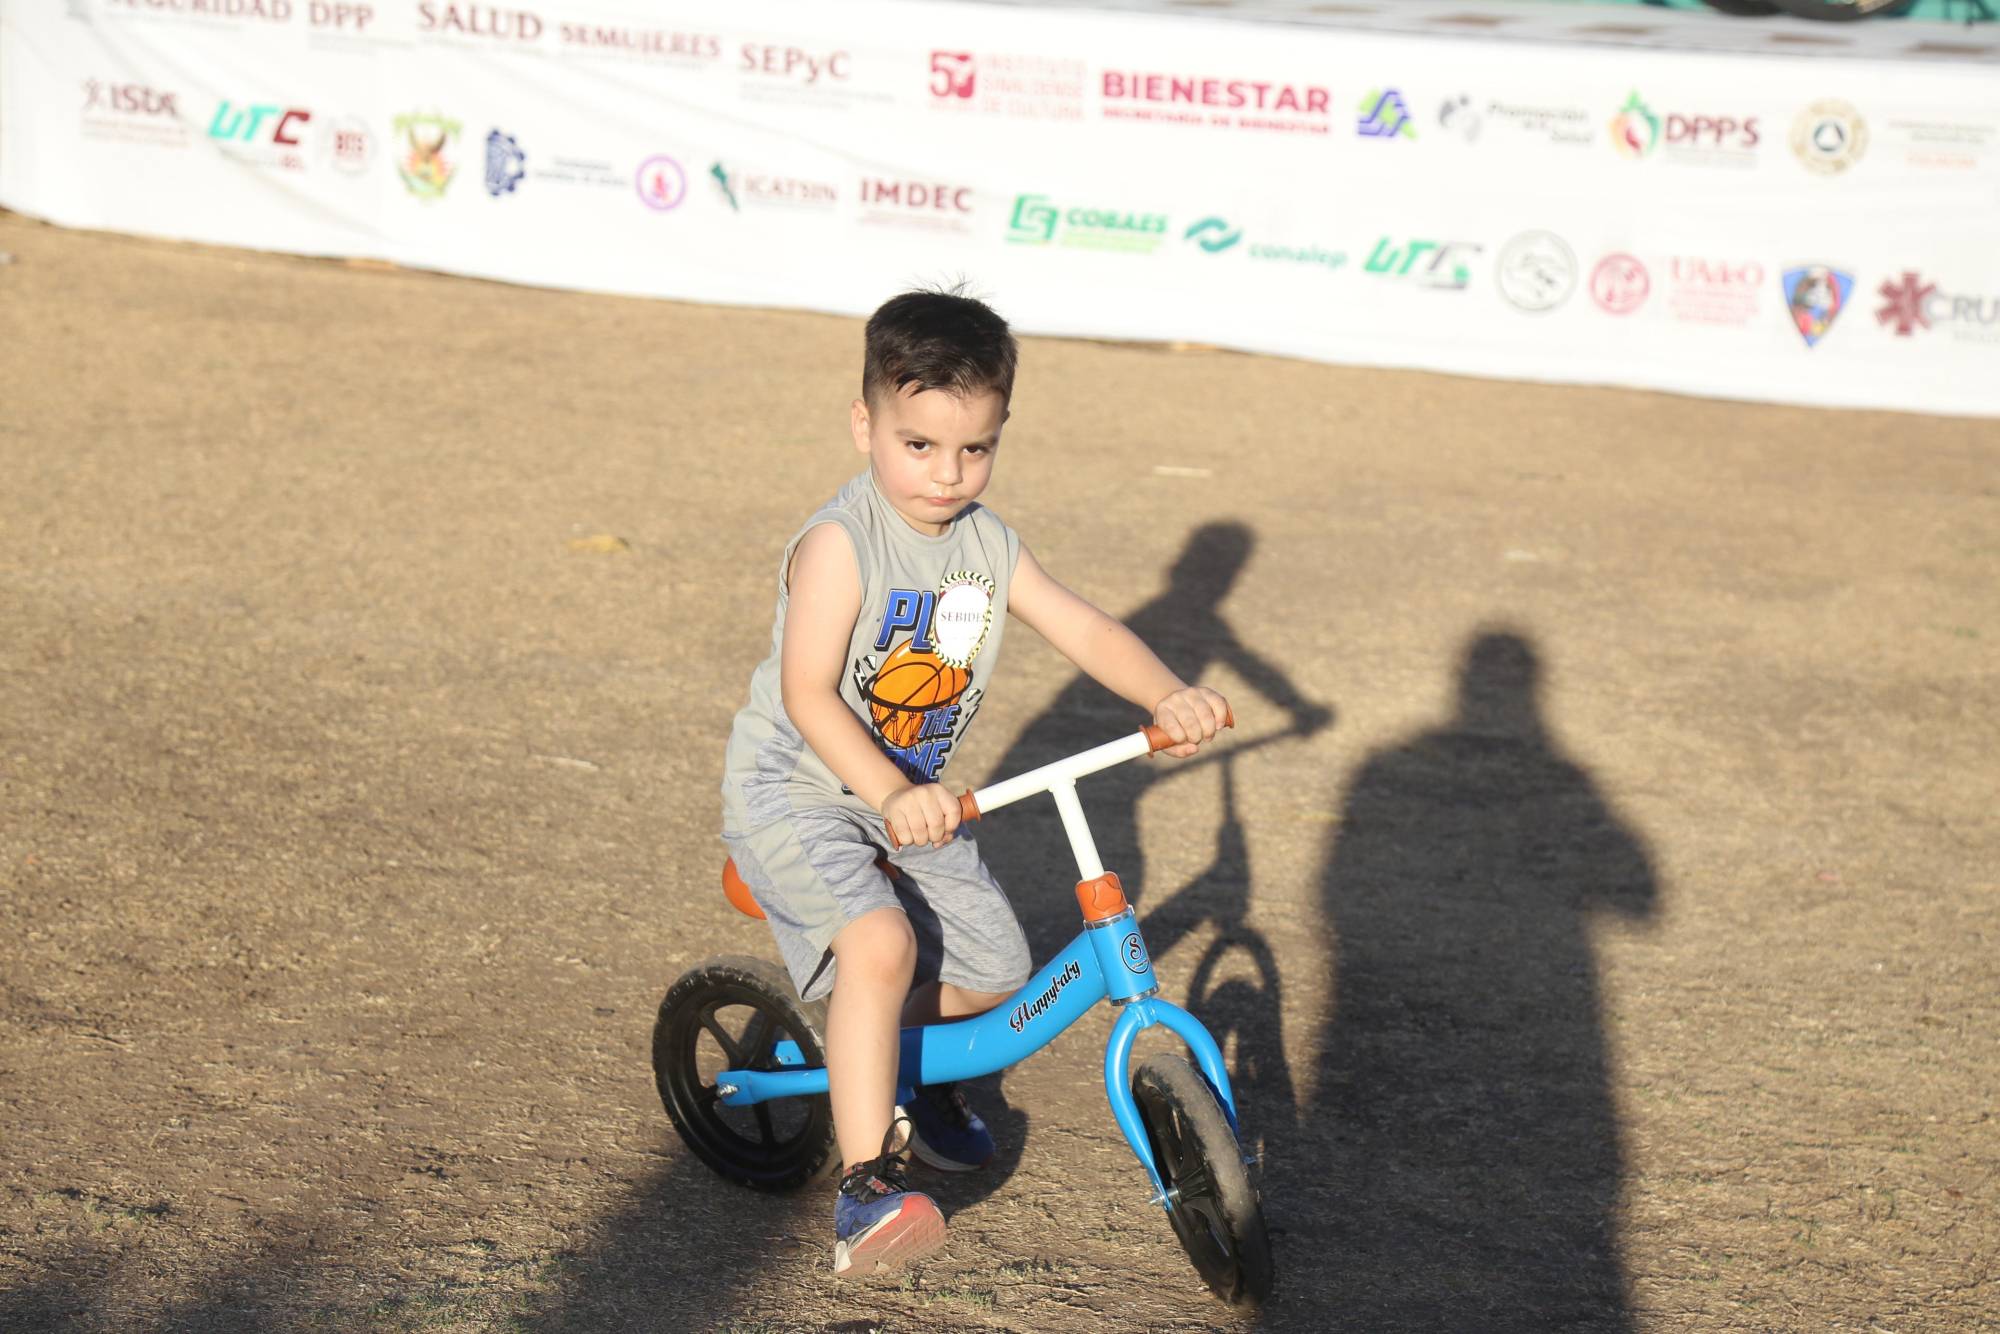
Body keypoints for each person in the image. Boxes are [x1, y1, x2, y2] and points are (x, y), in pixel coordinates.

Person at [719, 287, 1231, 1277]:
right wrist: (884, 788)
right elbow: (809, 692)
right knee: (879, 941)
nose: (948, 475)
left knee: (995, 971)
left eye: (975, 449)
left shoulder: (988, 547)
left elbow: (1083, 626)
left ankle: (916, 1071)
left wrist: (1170, 694)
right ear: (864, 423)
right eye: (919, 445)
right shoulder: (842, 542)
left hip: (909, 792)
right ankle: (864, 1183)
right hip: (799, 787)